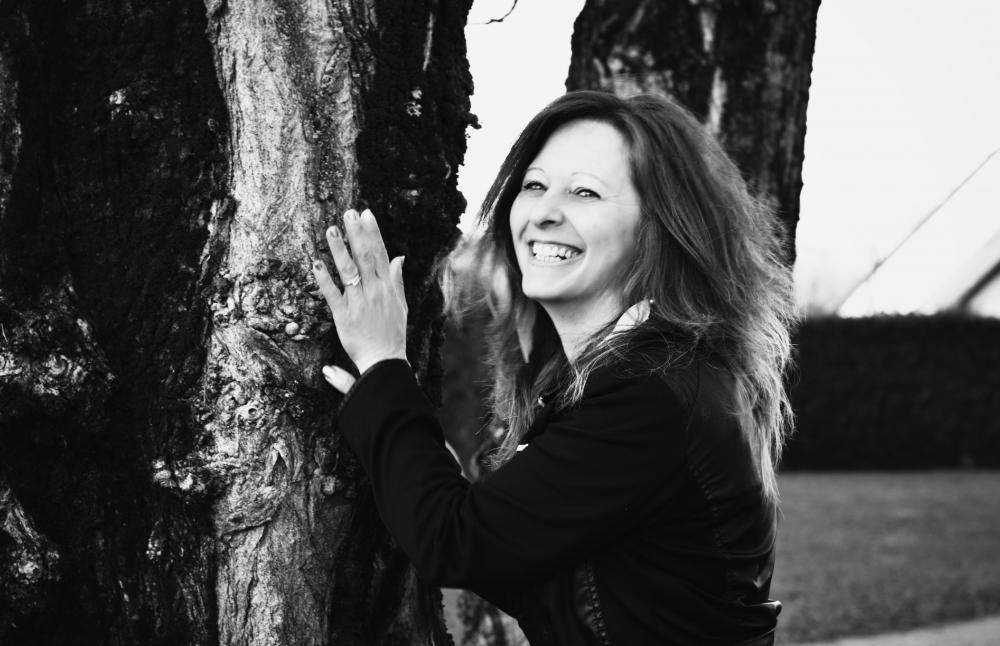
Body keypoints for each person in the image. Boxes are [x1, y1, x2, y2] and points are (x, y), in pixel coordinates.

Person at [311, 90, 796, 645]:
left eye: (585, 192)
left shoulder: (652, 394)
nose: (544, 212)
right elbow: (527, 561)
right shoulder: (638, 376)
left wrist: (382, 364)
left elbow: (459, 545)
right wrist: (419, 462)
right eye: (535, 185)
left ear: (659, 227)